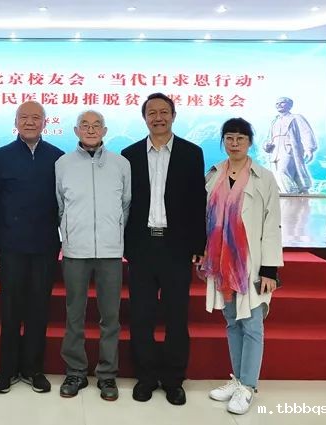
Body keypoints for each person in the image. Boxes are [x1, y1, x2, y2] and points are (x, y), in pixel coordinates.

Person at [121, 93, 206, 406]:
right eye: (152, 113)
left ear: (173, 115)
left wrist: (198, 244)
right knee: (141, 316)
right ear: (144, 118)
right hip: (142, 246)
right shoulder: (129, 154)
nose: (158, 117)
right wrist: (125, 244)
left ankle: (173, 379)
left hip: (176, 247)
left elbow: (197, 201)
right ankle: (145, 377)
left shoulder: (191, 153)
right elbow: (124, 203)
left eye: (164, 112)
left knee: (176, 316)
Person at [202, 118, 283, 415]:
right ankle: (237, 379)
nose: (234, 143)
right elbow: (205, 218)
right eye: (229, 138)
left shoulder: (264, 177)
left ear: (250, 142)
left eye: (240, 138)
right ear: (223, 141)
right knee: (232, 321)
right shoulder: (213, 175)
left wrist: (270, 269)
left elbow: (272, 223)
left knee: (252, 324)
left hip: (251, 262)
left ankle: (248, 386)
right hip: (221, 262)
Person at [0, 101, 64, 394]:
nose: (30, 122)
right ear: (16, 122)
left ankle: (33, 369)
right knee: (10, 309)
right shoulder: (1, 156)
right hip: (11, 245)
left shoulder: (57, 157)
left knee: (38, 309)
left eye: (36, 118)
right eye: (24, 117)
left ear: (45, 122)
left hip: (45, 246)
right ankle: (6, 370)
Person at [55, 110, 131, 401]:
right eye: (84, 125)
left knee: (110, 316)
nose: (90, 129)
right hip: (75, 251)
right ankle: (75, 371)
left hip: (110, 252)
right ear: (76, 130)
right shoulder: (62, 164)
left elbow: (126, 204)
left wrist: (114, 234)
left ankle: (107, 374)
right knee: (74, 314)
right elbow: (60, 206)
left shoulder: (121, 164)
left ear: (105, 130)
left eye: (96, 125)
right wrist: (70, 233)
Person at [263, 97, 317, 194]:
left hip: (290, 149)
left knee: (283, 171)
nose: (279, 105)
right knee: (277, 174)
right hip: (275, 151)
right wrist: (266, 145)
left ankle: (290, 193)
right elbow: (269, 138)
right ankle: (300, 191)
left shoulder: (296, 117)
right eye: (277, 103)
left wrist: (309, 148)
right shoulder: (275, 121)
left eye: (282, 102)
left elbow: (306, 132)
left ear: (289, 105)